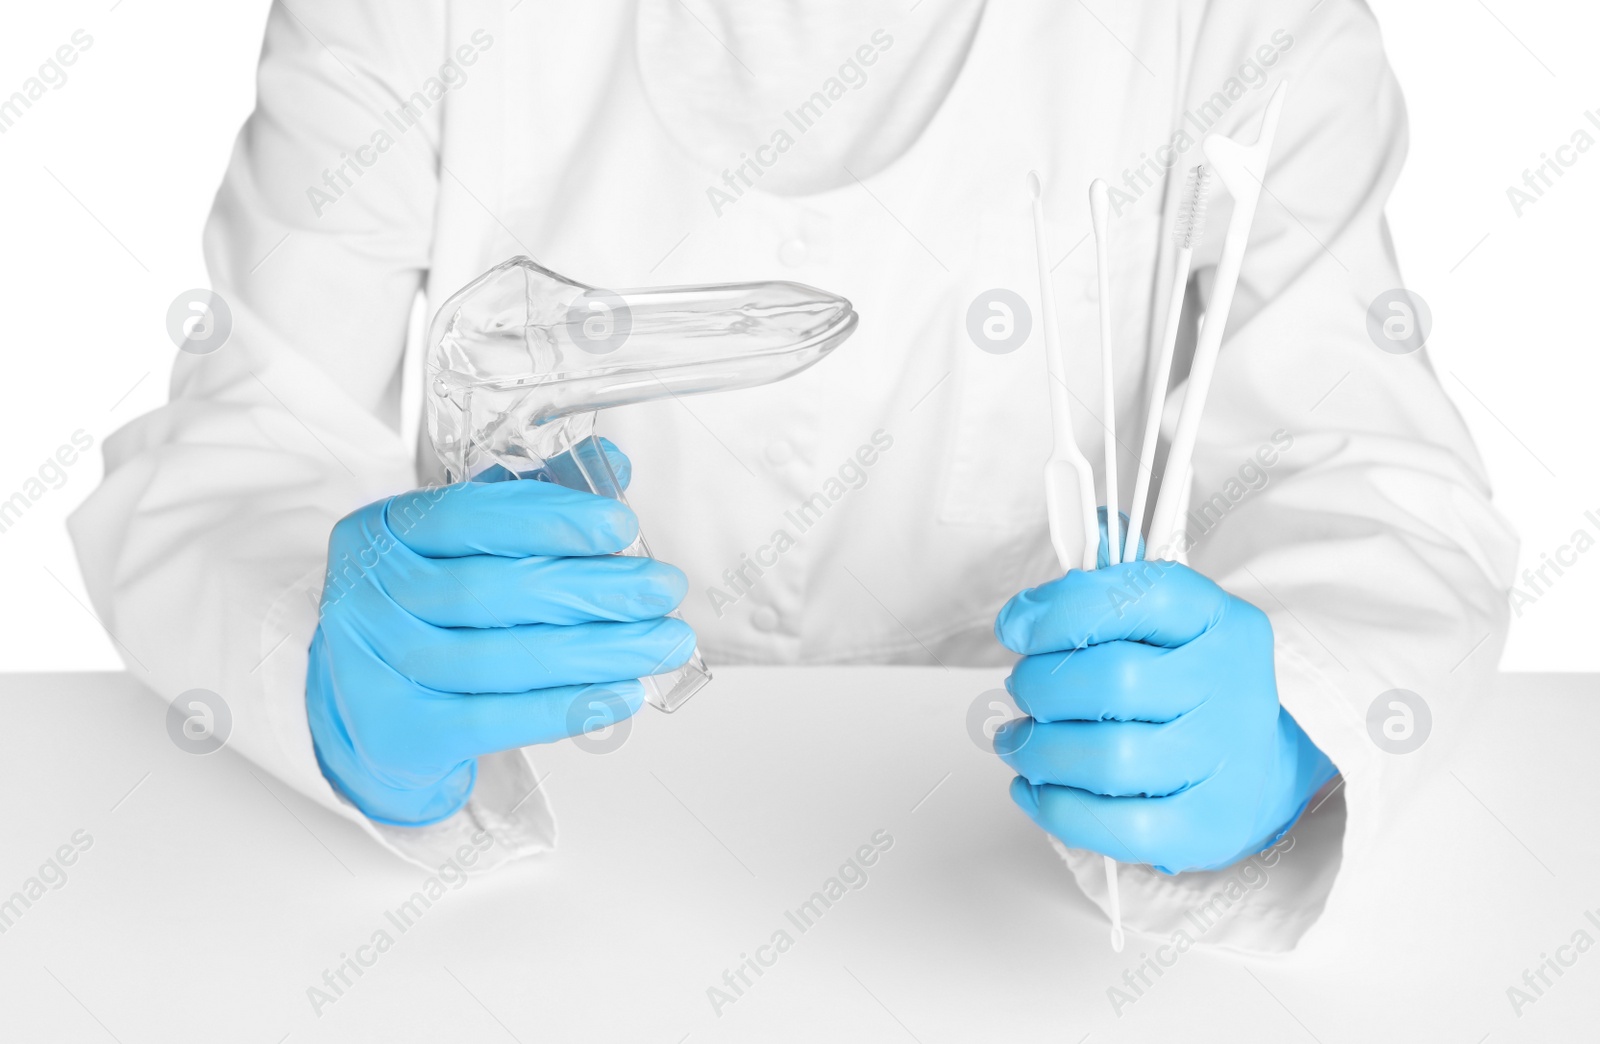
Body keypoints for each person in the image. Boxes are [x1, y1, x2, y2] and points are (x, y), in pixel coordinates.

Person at [69, 0, 1515, 952]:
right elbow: (240, 439)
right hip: (558, 918)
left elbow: (1376, 486)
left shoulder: (1233, 23)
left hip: (1020, 911)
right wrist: (327, 672)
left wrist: (1279, 742)